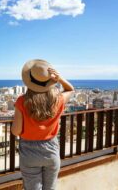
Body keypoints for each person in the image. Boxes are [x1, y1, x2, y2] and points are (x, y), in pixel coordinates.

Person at [11, 59, 74, 190]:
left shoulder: (22, 101)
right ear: (49, 82)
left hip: (29, 151)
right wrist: (59, 78)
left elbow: (16, 131)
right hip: (51, 149)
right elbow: (70, 90)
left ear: (29, 80)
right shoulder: (58, 100)